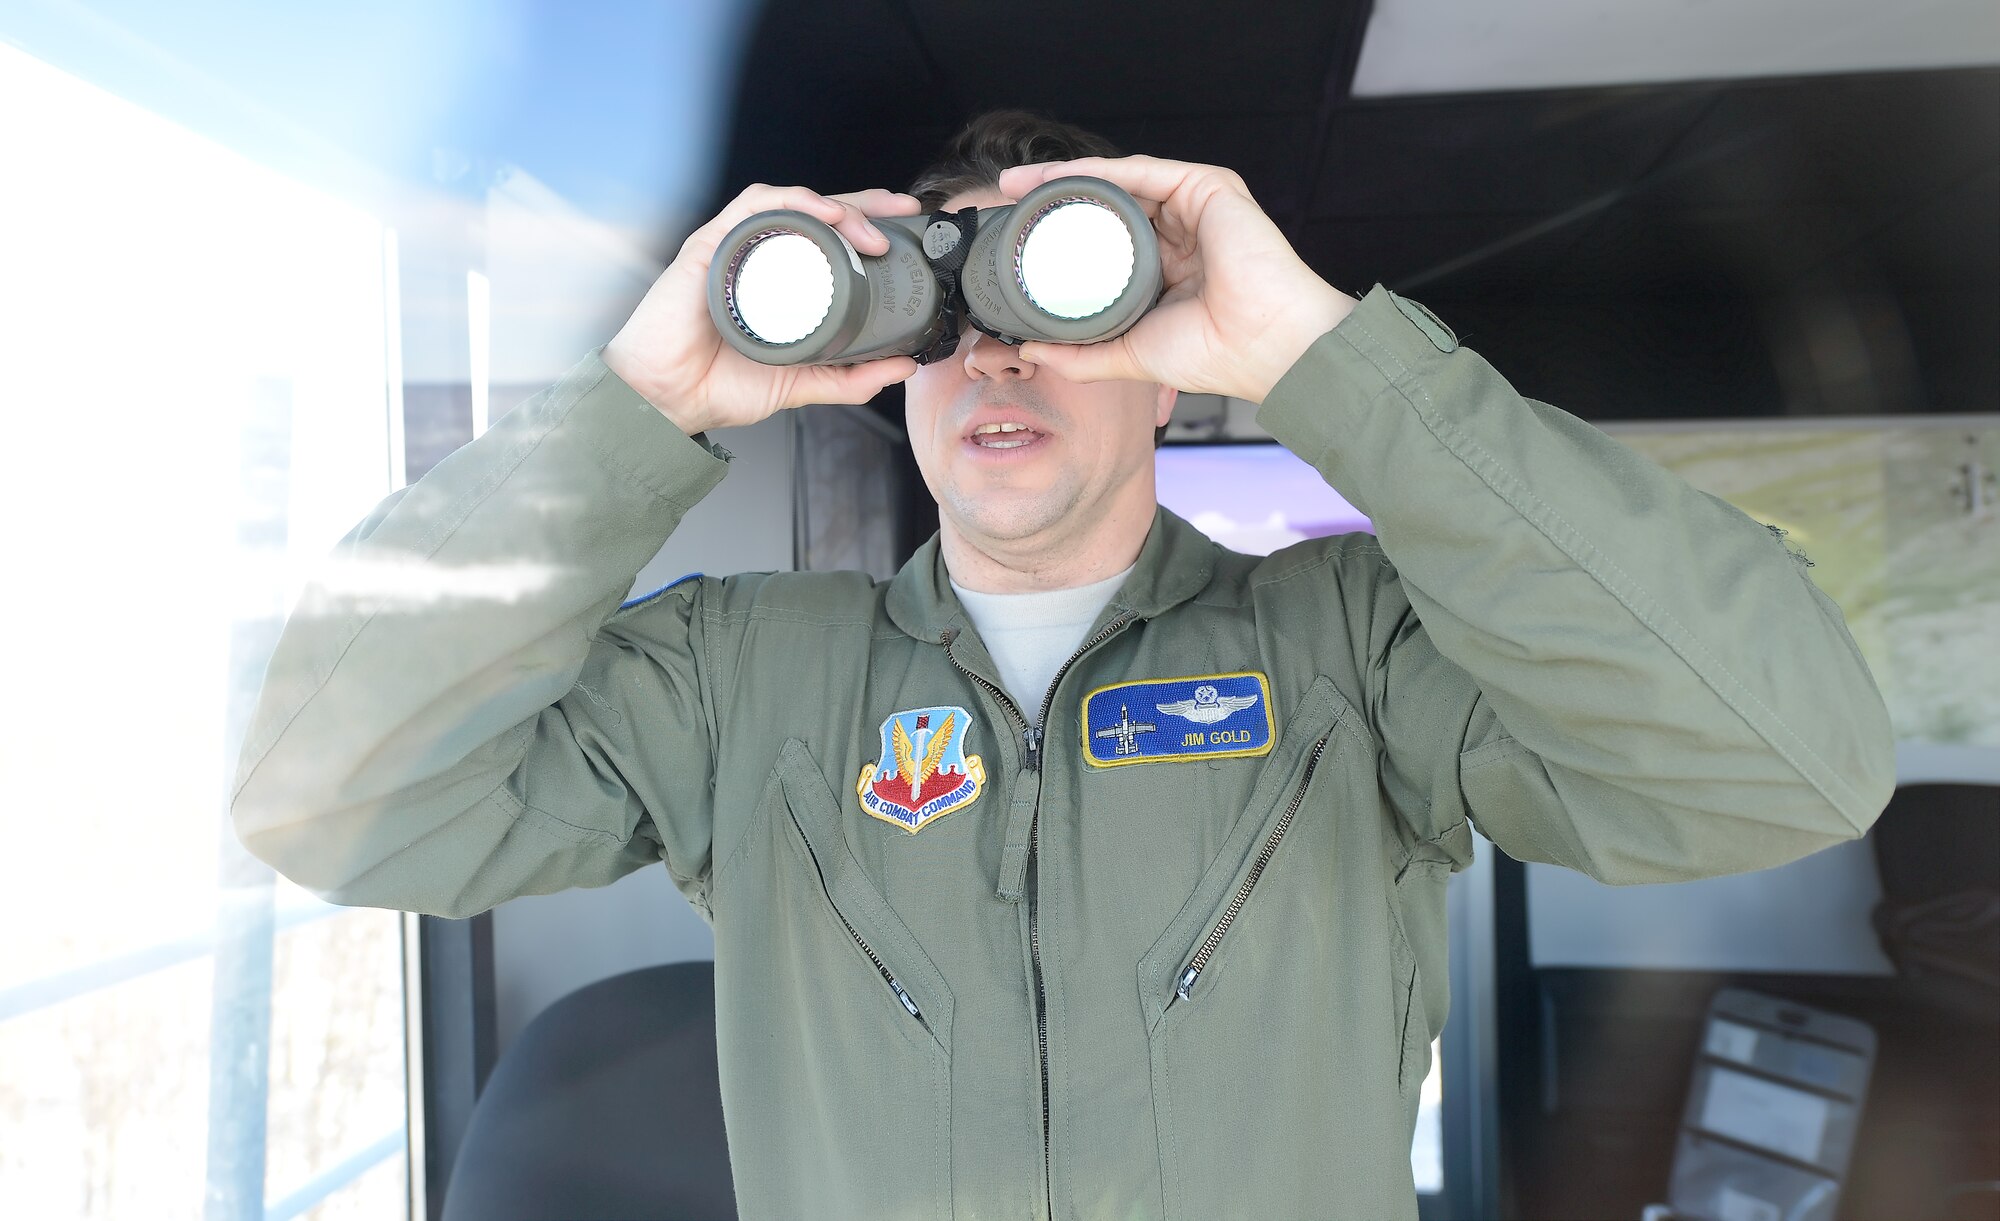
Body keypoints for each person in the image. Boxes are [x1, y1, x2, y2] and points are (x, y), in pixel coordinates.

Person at [231, 110, 1896, 1220]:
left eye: (1061, 305)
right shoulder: (747, 680)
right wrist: (638, 406)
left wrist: (1324, 354)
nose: (998, 357)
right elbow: (329, 800)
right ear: (886, 370)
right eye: (941, 321)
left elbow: (1785, 760)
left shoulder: (1349, 647)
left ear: (1168, 367)